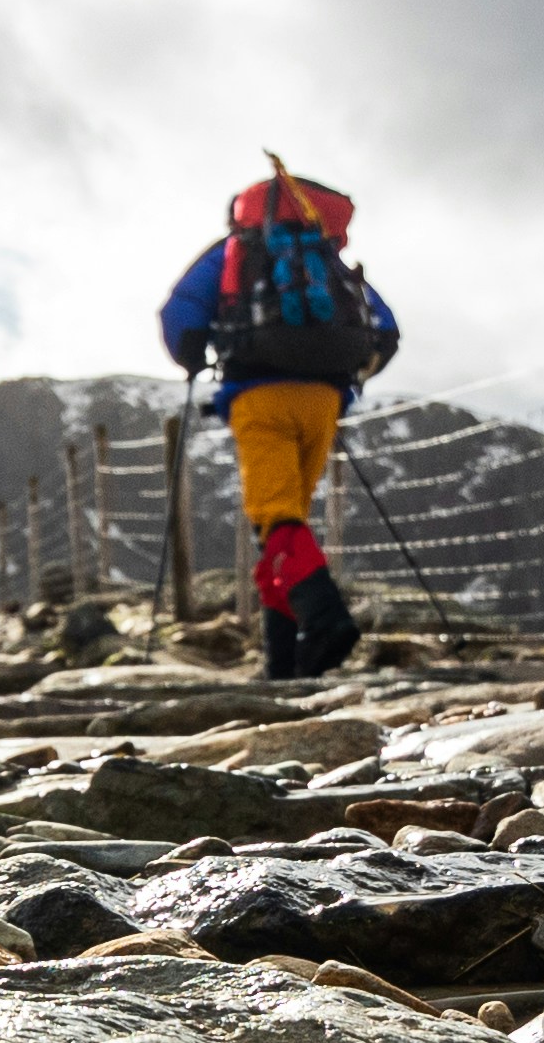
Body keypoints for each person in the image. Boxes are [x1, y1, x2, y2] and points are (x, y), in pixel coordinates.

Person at [157, 155, 400, 678]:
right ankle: (285, 661)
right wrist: (344, 375)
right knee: (284, 524)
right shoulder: (328, 263)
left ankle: (327, 620)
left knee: (276, 518)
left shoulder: (232, 254)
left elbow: (179, 318)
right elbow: (386, 331)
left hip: (257, 395)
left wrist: (194, 357)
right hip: (324, 403)